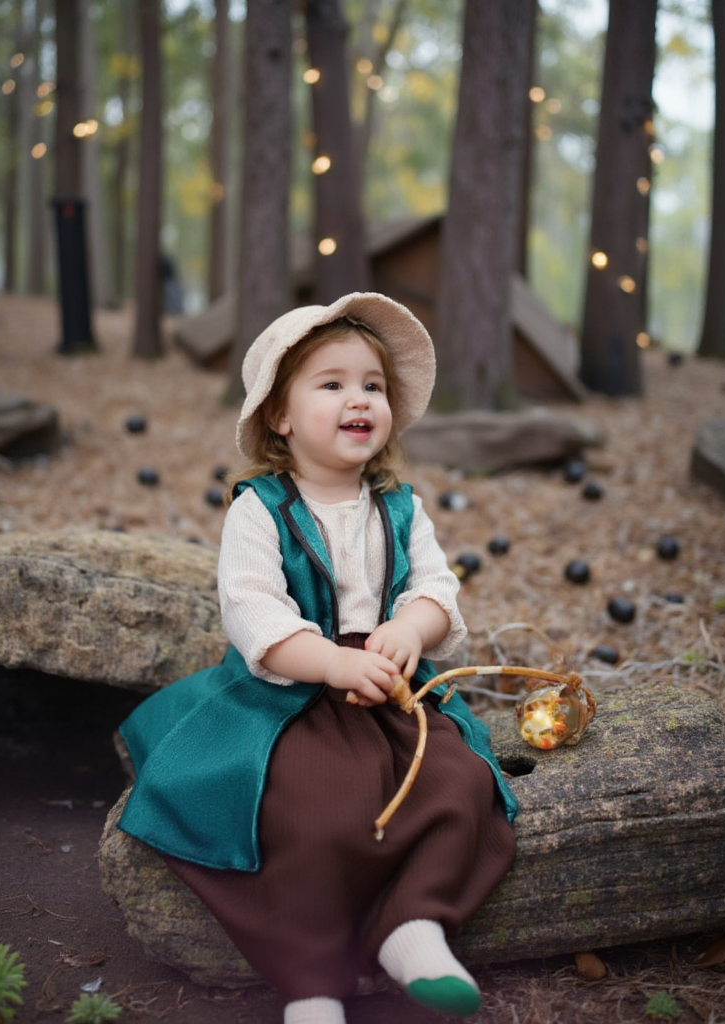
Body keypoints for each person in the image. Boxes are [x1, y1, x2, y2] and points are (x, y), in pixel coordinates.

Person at [117, 293, 518, 1024]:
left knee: (460, 781)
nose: (358, 398)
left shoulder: (399, 505)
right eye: (330, 384)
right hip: (287, 694)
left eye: (372, 384)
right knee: (306, 809)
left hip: (393, 688)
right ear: (280, 414)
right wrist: (330, 663)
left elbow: (436, 586)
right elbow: (252, 608)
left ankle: (413, 926)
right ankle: (310, 982)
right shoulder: (259, 509)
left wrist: (410, 628)